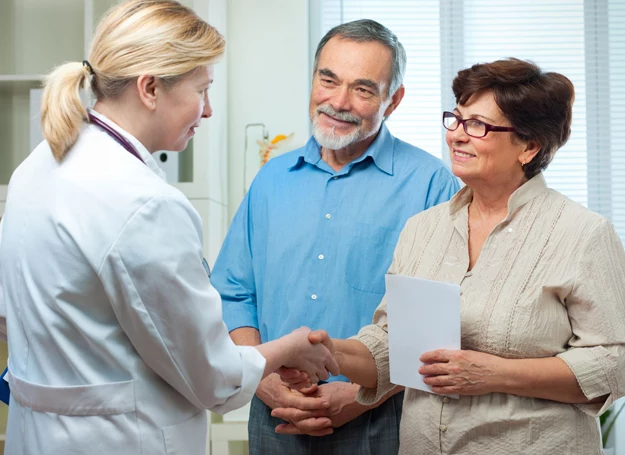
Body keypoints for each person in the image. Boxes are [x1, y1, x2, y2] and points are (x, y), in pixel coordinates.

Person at [0, 1, 338, 454]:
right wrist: (289, 348)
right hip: (120, 441)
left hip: (36, 435)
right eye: (202, 90)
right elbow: (213, 378)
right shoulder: (144, 203)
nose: (209, 110)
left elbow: (10, 318)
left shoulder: (37, 167)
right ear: (150, 88)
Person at [288, 58, 625, 455]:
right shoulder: (422, 229)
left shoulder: (582, 232)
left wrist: (495, 374)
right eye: (456, 119)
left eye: (478, 126)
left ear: (529, 147)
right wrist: (332, 352)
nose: (457, 137)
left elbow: (613, 364)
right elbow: (391, 346)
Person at [211, 19, 459, 454]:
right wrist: (262, 377)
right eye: (328, 80)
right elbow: (233, 293)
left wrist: (364, 396)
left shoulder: (431, 184)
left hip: (379, 418)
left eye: (363, 89)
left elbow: (434, 327)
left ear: (393, 99)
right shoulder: (271, 180)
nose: (338, 102)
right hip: (273, 414)